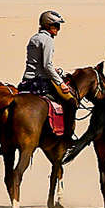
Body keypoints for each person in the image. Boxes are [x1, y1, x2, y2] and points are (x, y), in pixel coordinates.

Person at [20, 9, 76, 140]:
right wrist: (61, 83)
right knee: (71, 103)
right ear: (48, 25)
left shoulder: (34, 38)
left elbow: (38, 63)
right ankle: (67, 137)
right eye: (56, 25)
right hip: (41, 82)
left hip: (26, 81)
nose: (58, 29)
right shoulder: (47, 40)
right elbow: (47, 66)